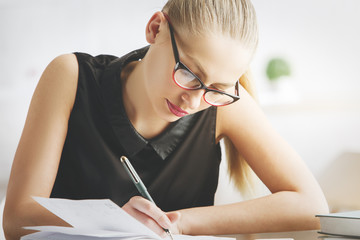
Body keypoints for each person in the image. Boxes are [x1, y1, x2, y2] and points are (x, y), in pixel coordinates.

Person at [3, 0, 329, 239]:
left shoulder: (224, 104)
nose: (193, 100)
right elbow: (17, 219)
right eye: (188, 73)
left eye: (217, 87)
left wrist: (179, 222)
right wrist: (117, 221)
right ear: (155, 28)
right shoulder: (70, 77)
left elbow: (312, 206)